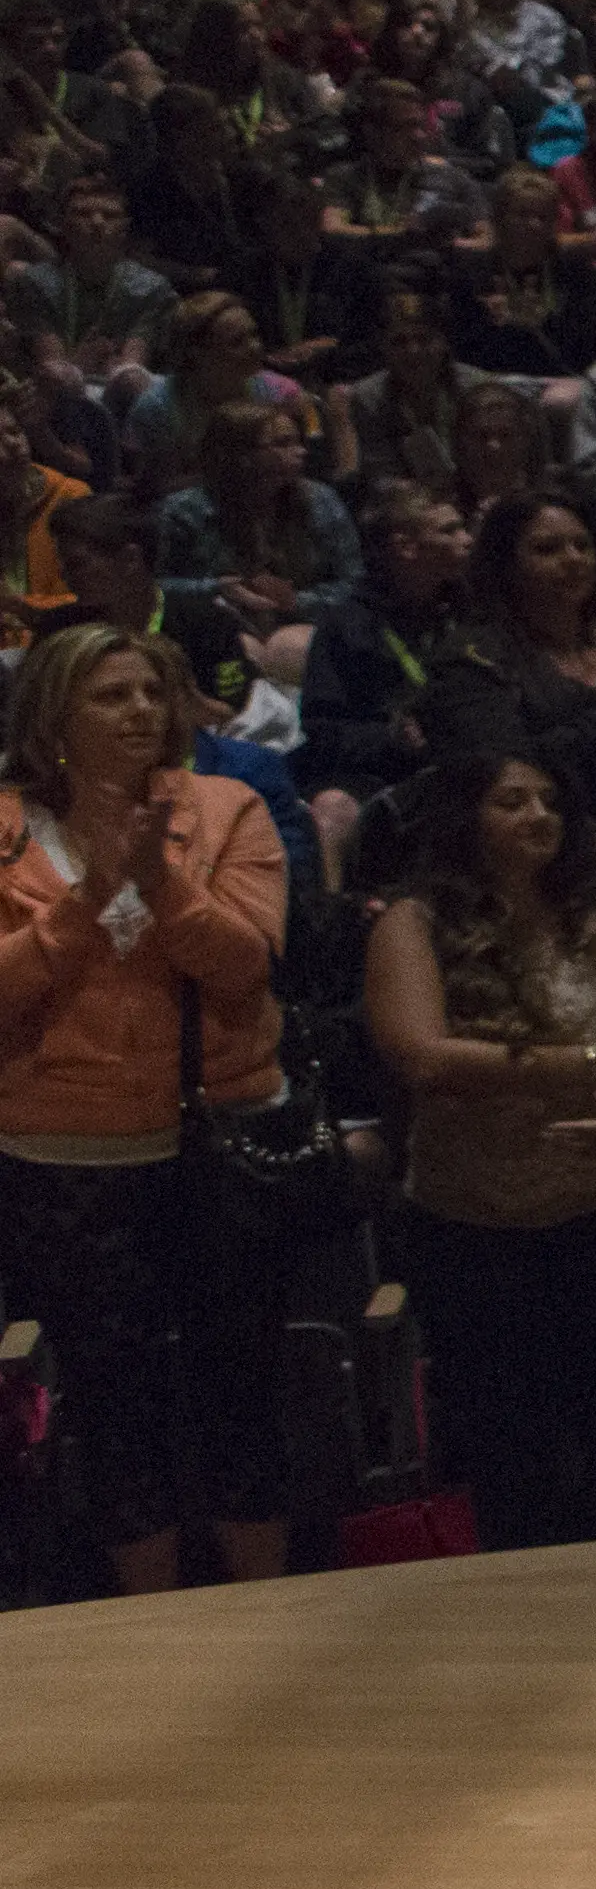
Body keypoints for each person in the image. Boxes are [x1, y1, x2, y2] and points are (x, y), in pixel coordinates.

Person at [0, 618, 308, 1595]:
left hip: (219, 1135)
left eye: (149, 691)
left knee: (241, 1385)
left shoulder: (228, 807)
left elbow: (243, 964)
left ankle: (260, 1607)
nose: (138, 710)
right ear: (52, 715)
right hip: (68, 1155)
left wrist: (161, 882)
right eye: (109, 694)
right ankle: (154, 1620)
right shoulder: (6, 827)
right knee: (113, 1393)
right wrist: (89, 896)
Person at [358, 751, 596, 1548]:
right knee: (512, 1464)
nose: (538, 816)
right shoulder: (412, 925)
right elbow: (422, 1054)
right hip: (477, 1237)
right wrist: (576, 1066)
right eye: (511, 800)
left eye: (550, 800)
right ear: (465, 818)